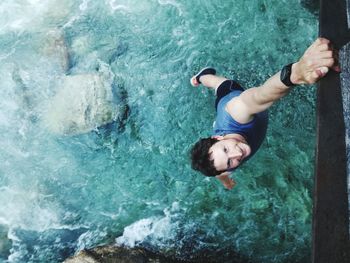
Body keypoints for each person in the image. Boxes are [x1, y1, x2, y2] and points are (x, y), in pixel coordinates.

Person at [190, 38, 340, 190]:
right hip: (220, 124)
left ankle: (201, 76)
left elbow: (259, 96)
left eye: (226, 149)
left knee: (218, 84)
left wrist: (295, 73)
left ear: (217, 138)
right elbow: (220, 172)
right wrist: (225, 181)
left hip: (228, 95)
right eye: (229, 162)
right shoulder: (223, 165)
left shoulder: (236, 112)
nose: (236, 154)